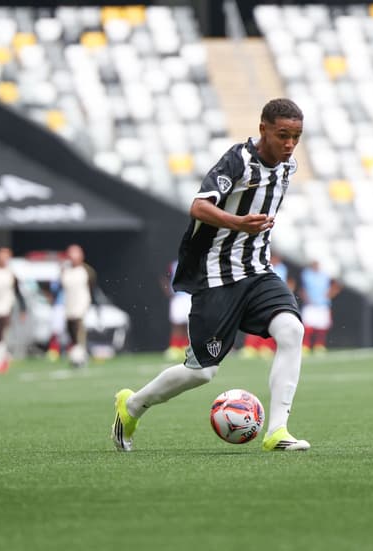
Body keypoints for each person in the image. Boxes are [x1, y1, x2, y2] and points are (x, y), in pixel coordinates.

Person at [112, 98, 310, 453]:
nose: (290, 144)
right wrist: (238, 223)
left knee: (292, 331)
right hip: (217, 277)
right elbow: (199, 206)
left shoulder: (287, 166)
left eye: (296, 136)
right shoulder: (238, 161)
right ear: (263, 128)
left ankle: (277, 432)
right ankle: (132, 406)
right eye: (283, 135)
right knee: (202, 372)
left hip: (258, 271)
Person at [240, 253, 294, 358]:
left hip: (275, 299)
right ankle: (250, 347)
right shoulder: (262, 266)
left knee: (271, 323)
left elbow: (288, 282)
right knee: (254, 321)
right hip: (261, 298)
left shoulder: (283, 268)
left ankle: (266, 347)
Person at [60, 244, 98, 368]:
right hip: (68, 306)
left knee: (79, 331)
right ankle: (78, 355)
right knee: (71, 332)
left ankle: (79, 358)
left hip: (81, 306)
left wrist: (89, 304)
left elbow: (92, 288)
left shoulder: (86, 271)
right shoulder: (65, 271)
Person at [299, 260, 342, 354]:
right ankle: (305, 345)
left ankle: (319, 345)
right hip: (310, 304)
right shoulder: (306, 274)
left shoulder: (325, 275)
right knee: (307, 327)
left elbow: (337, 286)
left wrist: (329, 295)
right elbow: (302, 288)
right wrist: (306, 298)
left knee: (321, 328)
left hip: (322, 304)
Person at [163, 259, 191, 361]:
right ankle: (175, 347)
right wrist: (169, 292)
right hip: (178, 297)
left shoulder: (197, 262)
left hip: (190, 296)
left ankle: (188, 347)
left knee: (191, 323)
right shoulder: (174, 265)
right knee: (177, 323)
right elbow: (165, 278)